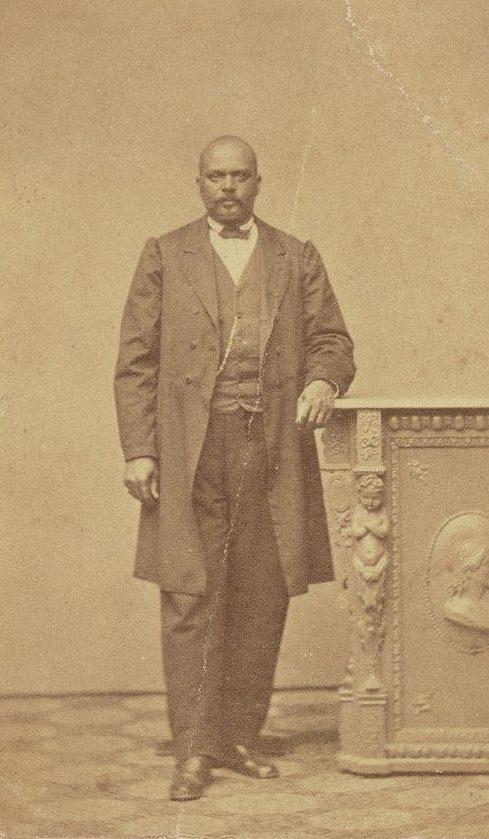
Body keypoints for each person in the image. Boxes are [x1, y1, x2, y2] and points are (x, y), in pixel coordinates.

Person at [114, 135, 356, 800]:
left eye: (239, 176)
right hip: (191, 451)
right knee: (191, 593)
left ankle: (239, 735)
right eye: (215, 176)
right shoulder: (164, 255)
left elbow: (333, 340)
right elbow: (135, 359)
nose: (227, 187)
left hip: (270, 448)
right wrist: (139, 447)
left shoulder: (294, 256)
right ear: (198, 183)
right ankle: (193, 749)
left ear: (258, 183)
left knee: (262, 589)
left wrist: (322, 383)